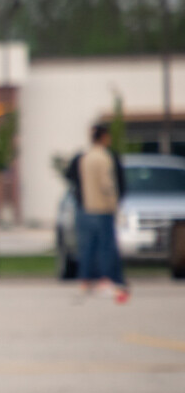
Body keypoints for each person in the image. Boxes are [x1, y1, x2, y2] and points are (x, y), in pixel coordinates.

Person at [65, 124, 129, 303]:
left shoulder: (82, 157)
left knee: (86, 248)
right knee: (106, 246)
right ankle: (106, 280)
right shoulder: (104, 158)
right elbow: (107, 184)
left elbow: (71, 178)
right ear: (104, 137)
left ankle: (84, 281)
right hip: (102, 208)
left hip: (84, 208)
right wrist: (114, 205)